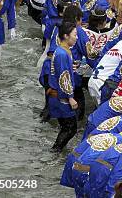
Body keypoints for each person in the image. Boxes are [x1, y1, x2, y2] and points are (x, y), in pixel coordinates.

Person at [47, 21, 79, 152]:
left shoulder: (64, 51)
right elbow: (63, 77)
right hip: (60, 96)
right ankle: (55, 151)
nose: (76, 37)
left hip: (59, 94)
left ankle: (57, 149)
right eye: (75, 35)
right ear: (66, 36)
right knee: (70, 128)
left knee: (67, 127)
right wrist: (70, 97)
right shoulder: (61, 54)